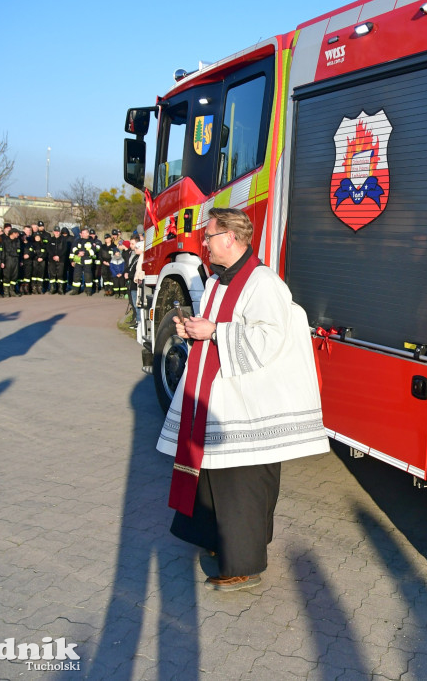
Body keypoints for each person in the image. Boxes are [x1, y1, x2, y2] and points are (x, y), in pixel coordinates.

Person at [156, 207, 328, 591]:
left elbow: (270, 339)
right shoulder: (218, 282)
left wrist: (215, 330)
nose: (204, 244)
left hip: (250, 405)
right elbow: (217, 331)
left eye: (210, 237)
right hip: (220, 399)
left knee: (242, 486)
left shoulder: (263, 283)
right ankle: (219, 541)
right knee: (214, 476)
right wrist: (195, 331)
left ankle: (244, 564)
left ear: (230, 239)